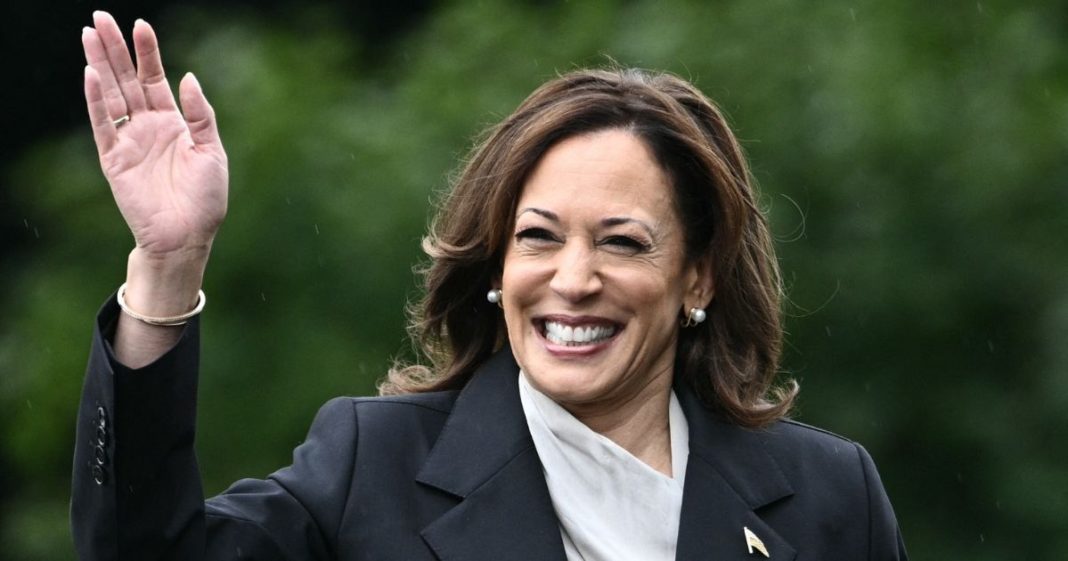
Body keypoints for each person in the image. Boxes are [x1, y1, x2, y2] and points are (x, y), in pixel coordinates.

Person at [72, 10, 908, 561]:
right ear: (496, 269)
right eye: (538, 238)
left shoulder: (830, 497)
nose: (572, 280)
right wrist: (168, 266)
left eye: (621, 243)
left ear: (699, 274)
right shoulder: (376, 467)